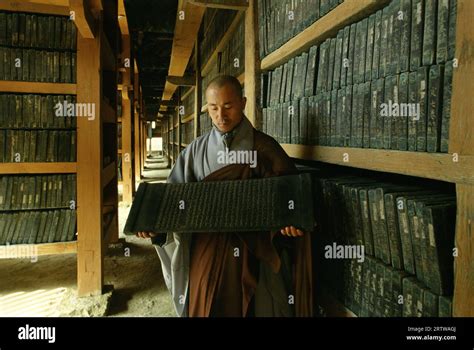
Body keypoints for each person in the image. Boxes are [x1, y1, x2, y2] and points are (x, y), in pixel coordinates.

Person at [137, 75, 312, 317]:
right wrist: (157, 230)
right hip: (206, 253)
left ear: (243, 102)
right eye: (213, 108)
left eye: (228, 106)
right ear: (207, 109)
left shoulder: (265, 149)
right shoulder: (194, 152)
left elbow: (289, 203)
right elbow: (172, 203)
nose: (221, 115)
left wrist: (288, 228)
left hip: (253, 255)